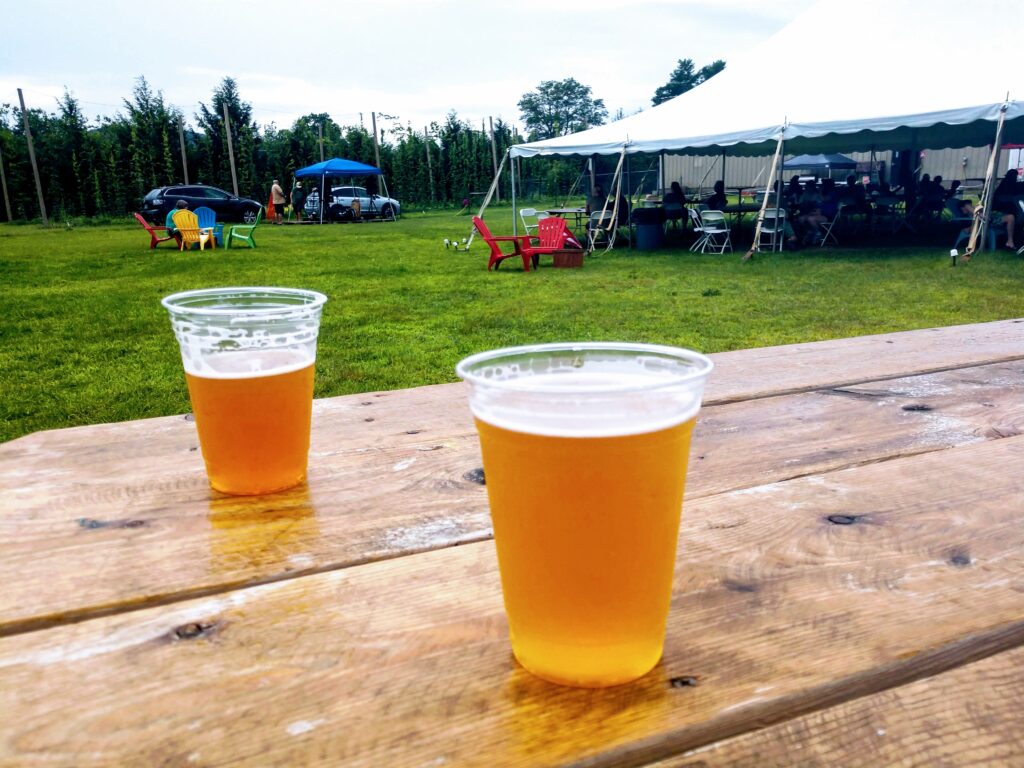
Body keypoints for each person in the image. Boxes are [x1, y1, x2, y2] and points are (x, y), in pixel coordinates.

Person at [992, 169, 1021, 249]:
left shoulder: (1014, 187)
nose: (1014, 178)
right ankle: (1009, 241)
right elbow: (1000, 200)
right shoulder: (1003, 187)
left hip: (1007, 213)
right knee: (1011, 217)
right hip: (995, 215)